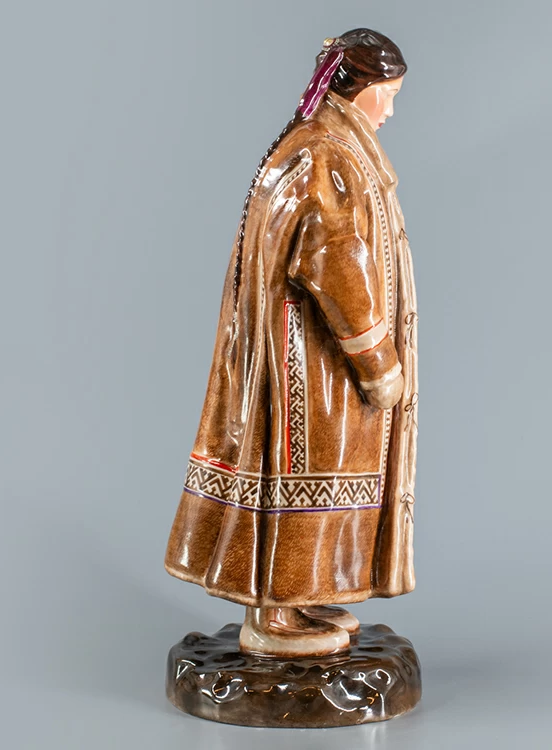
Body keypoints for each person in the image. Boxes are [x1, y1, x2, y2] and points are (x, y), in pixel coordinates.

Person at [164, 28, 419, 658]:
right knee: (299, 468)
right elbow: (336, 257)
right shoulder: (325, 153)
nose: (390, 110)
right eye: (386, 94)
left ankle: (297, 597)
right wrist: (376, 359)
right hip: (309, 362)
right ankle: (273, 614)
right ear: (357, 88)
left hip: (300, 351)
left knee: (307, 473)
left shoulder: (320, 143)